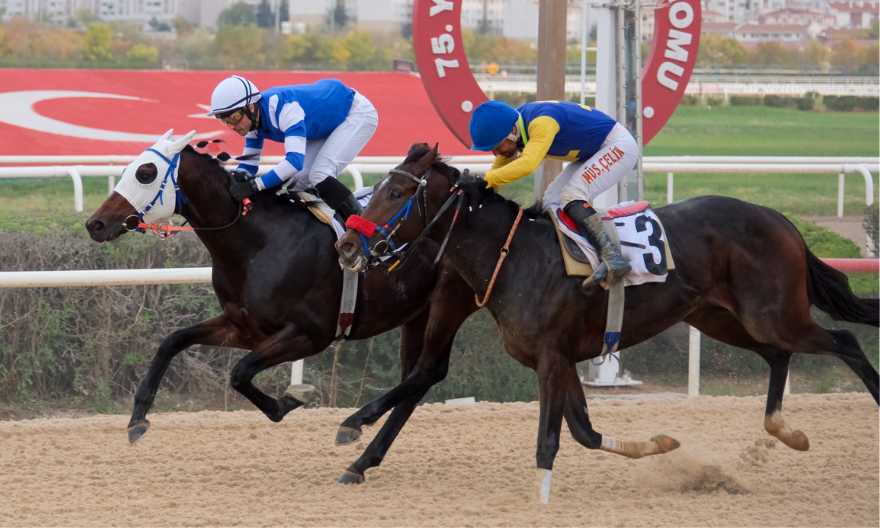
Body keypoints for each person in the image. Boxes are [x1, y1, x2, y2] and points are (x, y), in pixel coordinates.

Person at [467, 100, 638, 288]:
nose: (495, 152)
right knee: (551, 201)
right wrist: (475, 192)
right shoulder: (511, 125)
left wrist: (484, 179)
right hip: (593, 151)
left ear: (513, 131)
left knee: (572, 194)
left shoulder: (541, 122)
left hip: (618, 146)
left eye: (497, 145)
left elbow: (528, 165)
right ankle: (574, 257)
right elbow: (495, 178)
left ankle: (612, 256)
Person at [207, 75, 378, 223]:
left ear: (250, 107)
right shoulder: (252, 124)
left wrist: (255, 186)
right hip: (327, 122)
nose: (231, 126)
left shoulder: (284, 109)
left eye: (234, 117)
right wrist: (231, 183)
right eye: (224, 120)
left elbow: (295, 161)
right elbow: (249, 167)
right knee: (298, 182)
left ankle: (364, 227)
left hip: (356, 113)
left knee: (320, 174)